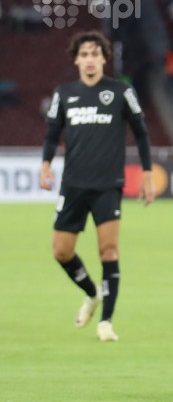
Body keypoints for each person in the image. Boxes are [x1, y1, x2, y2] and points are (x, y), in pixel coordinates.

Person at [39, 30, 155, 342]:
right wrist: (46, 165)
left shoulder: (120, 92)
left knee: (109, 250)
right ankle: (92, 293)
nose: (90, 59)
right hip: (73, 184)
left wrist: (146, 174)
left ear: (104, 58)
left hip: (107, 184)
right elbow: (52, 135)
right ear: (76, 59)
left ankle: (106, 322)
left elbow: (141, 133)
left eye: (95, 54)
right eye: (85, 54)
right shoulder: (64, 94)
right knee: (61, 252)